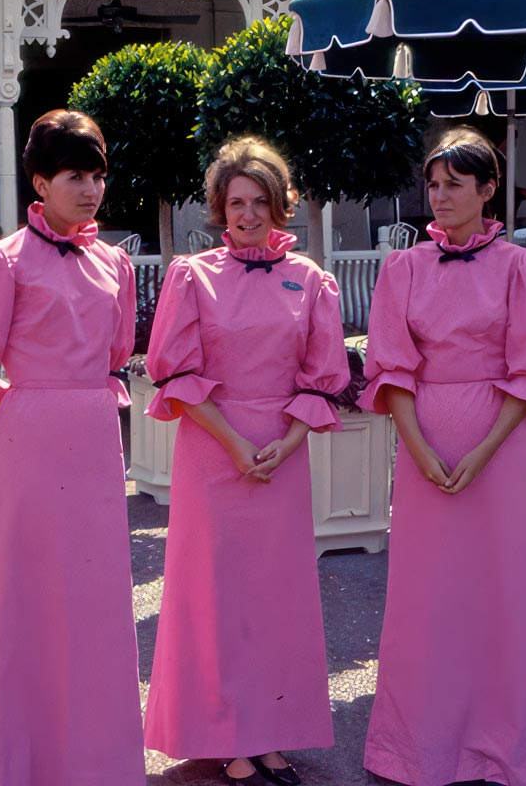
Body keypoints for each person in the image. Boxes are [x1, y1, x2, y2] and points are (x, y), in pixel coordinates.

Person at [0, 110, 145, 786]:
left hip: (94, 436)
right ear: (40, 182)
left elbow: (115, 356)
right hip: (29, 441)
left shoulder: (115, 263)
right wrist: (2, 404)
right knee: (24, 601)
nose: (89, 190)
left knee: (95, 599)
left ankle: (93, 765)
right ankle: (14, 766)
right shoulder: (2, 259)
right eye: (75, 176)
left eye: (97, 176)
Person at [359, 127, 526, 786]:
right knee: (426, 602)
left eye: (455, 184)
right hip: (423, 448)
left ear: (488, 192)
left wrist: (484, 450)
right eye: (433, 183)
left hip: (499, 447)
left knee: (505, 597)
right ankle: (417, 751)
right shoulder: (402, 267)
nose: (440, 196)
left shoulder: (522, 267)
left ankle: (515, 750)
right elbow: (390, 369)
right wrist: (418, 448)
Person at [142, 137, 349, 786]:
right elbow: (172, 371)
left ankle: (273, 733)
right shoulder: (192, 276)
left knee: (277, 599)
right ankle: (229, 736)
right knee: (220, 599)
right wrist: (234, 444)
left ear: (281, 205)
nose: (249, 214)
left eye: (261, 201)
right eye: (236, 202)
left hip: (282, 452)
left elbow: (323, 377)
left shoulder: (312, 280)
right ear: (218, 207)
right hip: (214, 449)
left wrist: (287, 444)